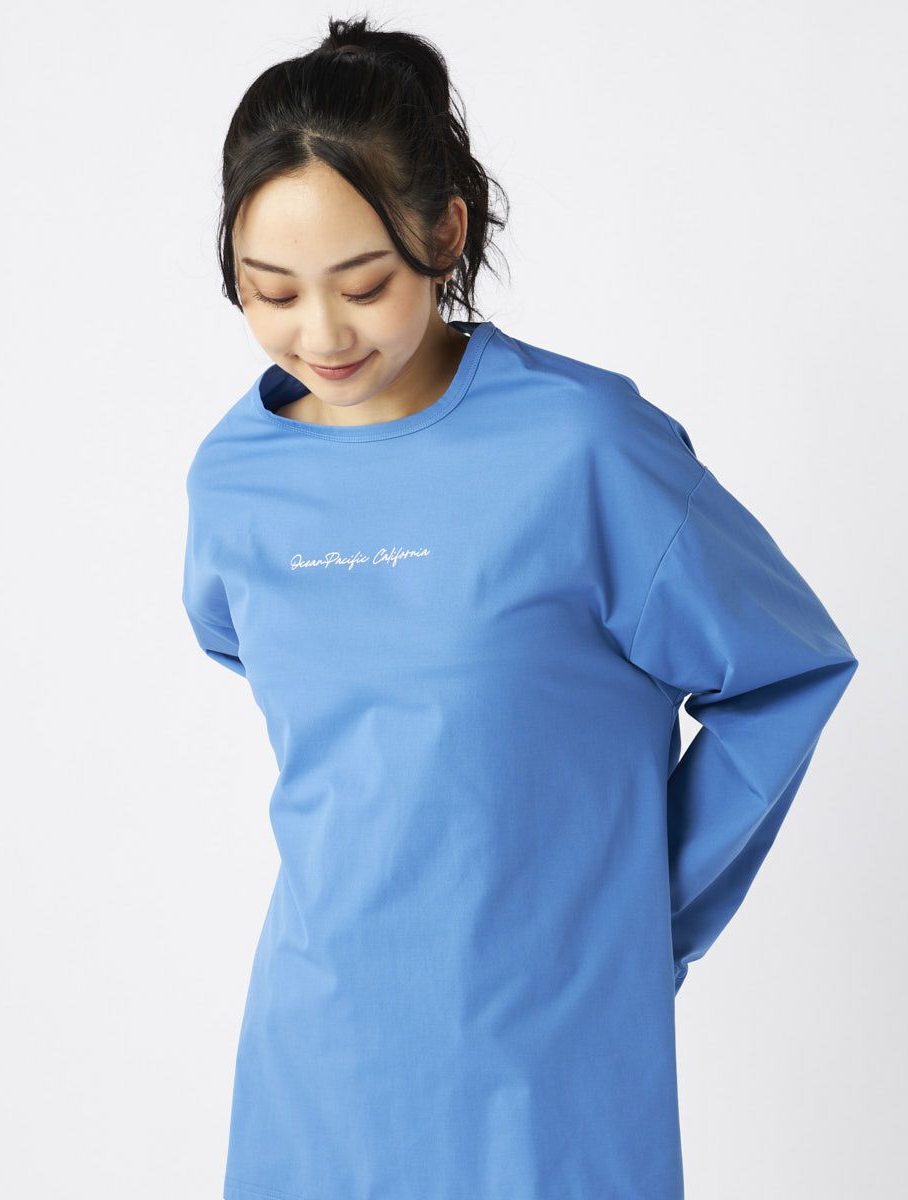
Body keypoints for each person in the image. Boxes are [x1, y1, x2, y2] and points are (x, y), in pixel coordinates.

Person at [181, 15, 859, 1200]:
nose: (320, 334)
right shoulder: (235, 476)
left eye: (364, 284)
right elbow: (292, 681)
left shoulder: (582, 448)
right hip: (317, 1056)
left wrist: (639, 915)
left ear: (445, 233)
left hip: (547, 1062)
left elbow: (781, 674)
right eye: (270, 291)